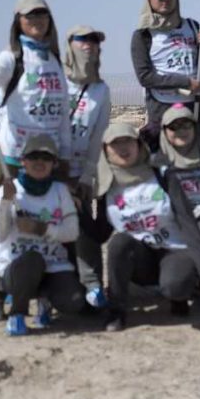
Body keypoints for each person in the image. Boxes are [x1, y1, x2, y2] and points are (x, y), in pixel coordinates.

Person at [0, 0, 72, 321]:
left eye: (42, 14)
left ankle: (41, 292)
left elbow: (62, 116)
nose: (37, 20)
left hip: (46, 159)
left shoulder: (55, 61)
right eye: (29, 15)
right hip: (10, 158)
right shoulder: (12, 58)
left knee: (45, 222)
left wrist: (64, 157)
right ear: (18, 22)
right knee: (0, 222)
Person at [83, 123, 200, 331]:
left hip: (173, 249)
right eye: (116, 144)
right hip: (140, 256)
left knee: (175, 286)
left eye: (128, 142)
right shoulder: (107, 185)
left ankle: (180, 295)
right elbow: (101, 234)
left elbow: (187, 222)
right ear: (105, 149)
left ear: (139, 145)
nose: (123, 149)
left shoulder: (161, 175)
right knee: (119, 242)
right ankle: (117, 311)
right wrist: (78, 211)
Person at [0, 135, 85, 336]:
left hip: (53, 265)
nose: (39, 162)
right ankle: (17, 315)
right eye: (33, 157)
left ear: (54, 163)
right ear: (23, 161)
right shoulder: (10, 191)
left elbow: (72, 232)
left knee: (74, 301)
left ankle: (45, 301)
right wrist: (6, 203)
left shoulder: (60, 191)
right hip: (15, 267)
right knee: (32, 260)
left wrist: (42, 229)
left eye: (46, 158)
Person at [131, 0, 200, 166]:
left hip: (196, 107)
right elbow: (145, 77)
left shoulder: (192, 27)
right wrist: (184, 82)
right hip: (164, 108)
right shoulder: (143, 36)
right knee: (161, 164)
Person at [63, 25, 112, 309]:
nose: (89, 45)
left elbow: (98, 136)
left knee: (84, 227)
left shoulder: (100, 89)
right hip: (51, 170)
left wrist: (85, 176)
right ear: (70, 44)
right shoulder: (55, 80)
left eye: (94, 41)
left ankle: (93, 286)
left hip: (81, 171)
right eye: (83, 40)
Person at [156, 104, 200, 267]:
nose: (181, 131)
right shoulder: (158, 163)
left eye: (186, 125)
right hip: (170, 222)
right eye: (174, 126)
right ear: (165, 131)